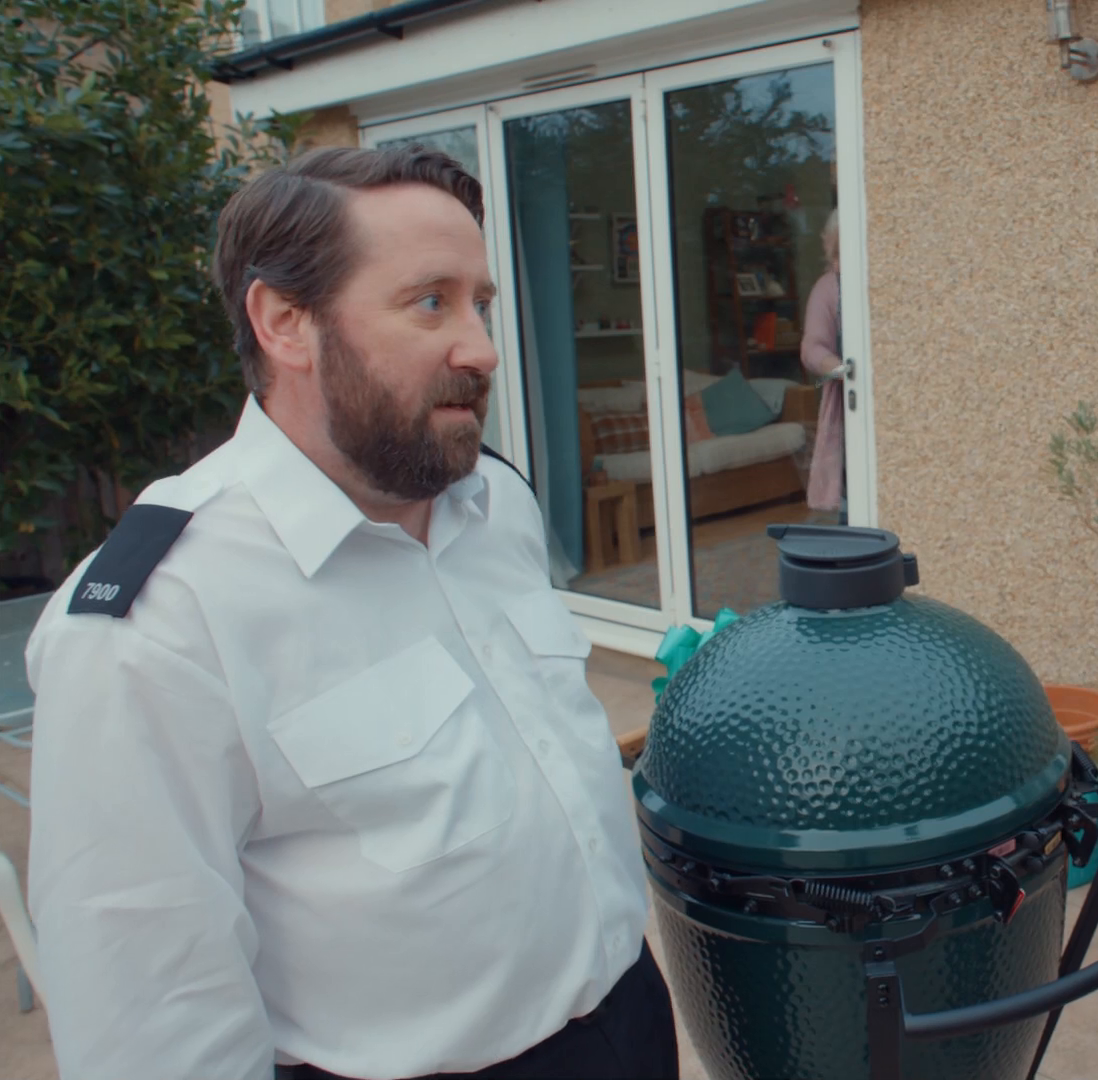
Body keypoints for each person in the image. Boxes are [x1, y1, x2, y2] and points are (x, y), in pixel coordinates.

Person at [25, 146, 677, 1080]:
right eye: (431, 302)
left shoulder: (494, 503)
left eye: (481, 303)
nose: (482, 348)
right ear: (286, 323)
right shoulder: (162, 617)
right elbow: (151, 1014)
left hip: (627, 1015)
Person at [800, 208, 847, 524]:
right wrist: (841, 370)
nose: (834, 261)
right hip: (850, 403)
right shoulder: (828, 287)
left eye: (839, 250)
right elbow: (812, 348)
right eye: (831, 252)